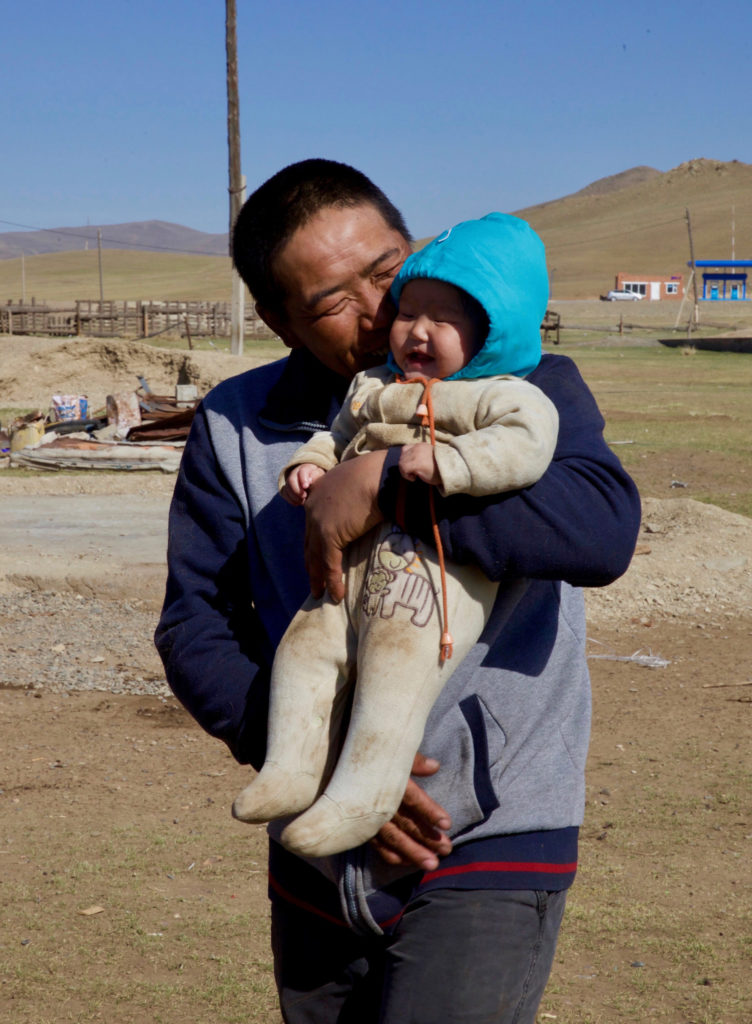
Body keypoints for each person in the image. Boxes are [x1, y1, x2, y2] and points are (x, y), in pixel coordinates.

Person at [155, 158, 641, 1024]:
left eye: (389, 271)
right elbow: (196, 623)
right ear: (278, 320)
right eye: (336, 301)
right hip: (313, 851)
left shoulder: (524, 385)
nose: (386, 315)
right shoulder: (234, 426)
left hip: (488, 835)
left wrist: (386, 483)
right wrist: (322, 755)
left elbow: (601, 529)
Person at [232, 212, 560, 862]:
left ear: (496, 331)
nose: (417, 331)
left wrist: (452, 465)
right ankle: (292, 768)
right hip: (344, 574)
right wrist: (311, 466)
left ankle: (367, 795)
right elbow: (334, 435)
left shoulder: (501, 395)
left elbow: (527, 446)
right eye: (410, 311)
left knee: (393, 671)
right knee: (304, 653)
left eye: (446, 318)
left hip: (428, 586)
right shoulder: (374, 387)